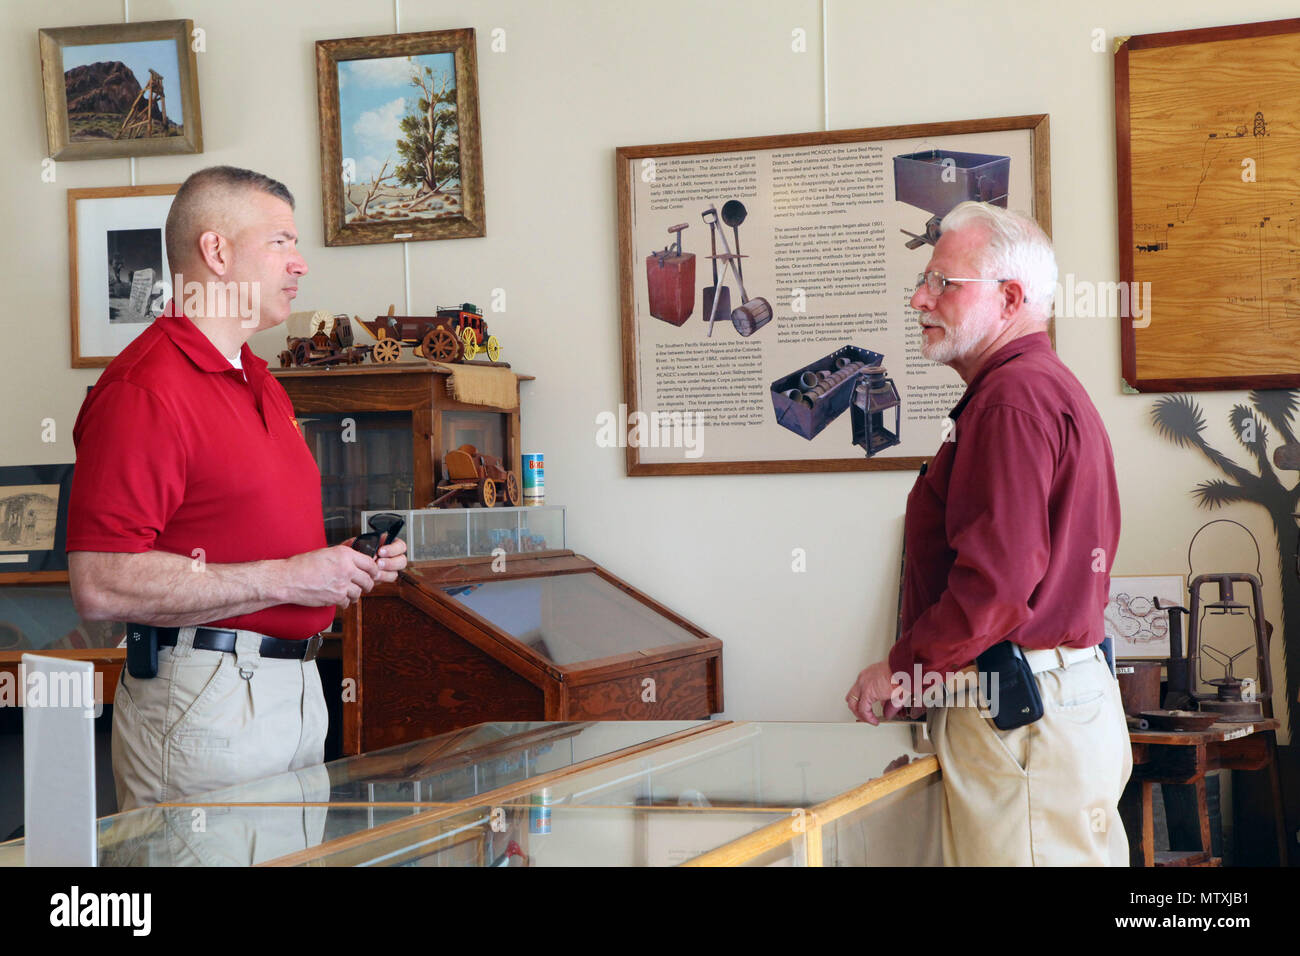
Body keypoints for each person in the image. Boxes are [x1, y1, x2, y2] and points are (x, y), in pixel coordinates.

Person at [67, 166, 406, 811]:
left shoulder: (261, 378)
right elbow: (101, 582)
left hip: (293, 692)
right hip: (206, 700)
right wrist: (287, 578)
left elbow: (244, 535)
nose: (300, 263)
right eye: (280, 241)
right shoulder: (143, 390)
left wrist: (343, 564)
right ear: (216, 252)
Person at [845, 201, 1131, 866]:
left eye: (944, 283)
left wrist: (901, 669)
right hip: (1054, 705)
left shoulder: (1010, 400)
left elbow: (997, 586)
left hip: (1020, 715)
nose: (920, 298)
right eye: (923, 281)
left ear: (1009, 298)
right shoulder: (1037, 387)